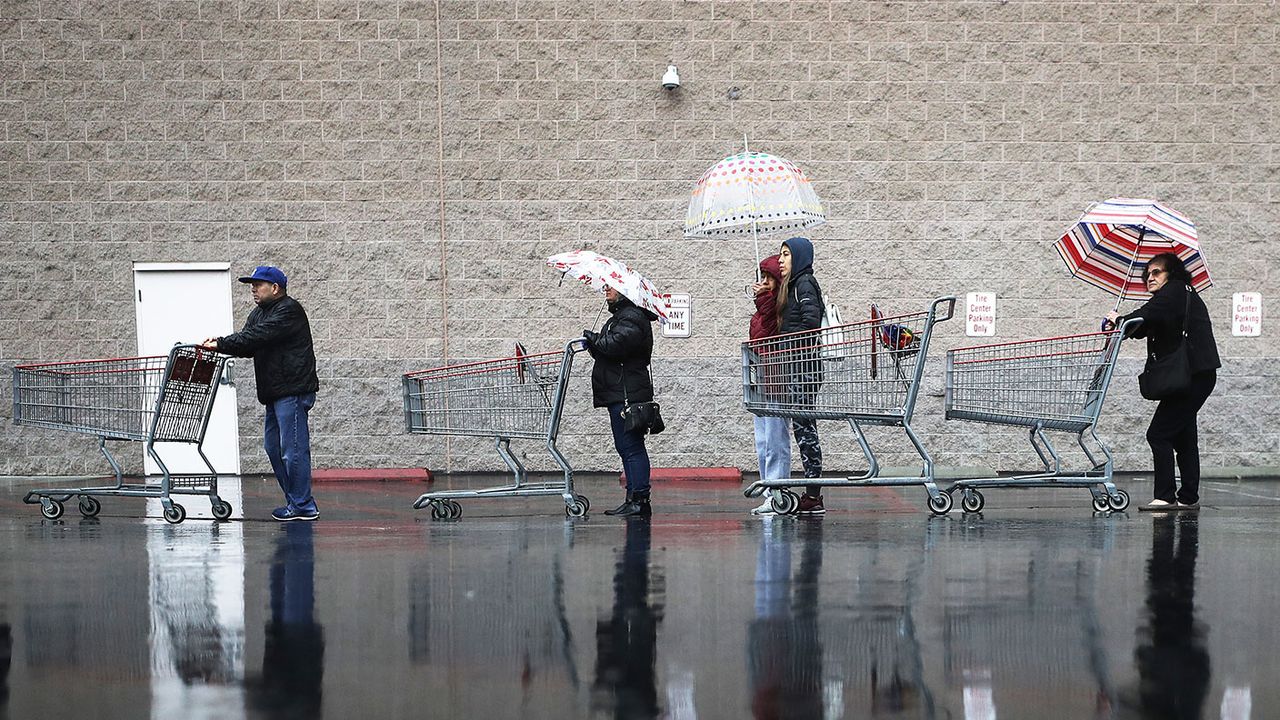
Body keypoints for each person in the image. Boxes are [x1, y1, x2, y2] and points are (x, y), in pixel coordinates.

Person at [202, 266, 321, 522]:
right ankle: (296, 502)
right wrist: (221, 345)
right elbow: (249, 342)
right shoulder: (259, 313)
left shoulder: (289, 310)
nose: (253, 289)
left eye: (258, 285)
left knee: (293, 450)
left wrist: (221, 343)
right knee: (273, 448)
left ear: (275, 288)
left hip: (292, 390)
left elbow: (258, 336)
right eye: (252, 285)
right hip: (274, 393)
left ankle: (303, 505)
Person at [1105, 252, 1220, 511]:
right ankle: (1188, 497)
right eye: (1147, 274)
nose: (1150, 278)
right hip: (1190, 376)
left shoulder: (1175, 290)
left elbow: (1147, 314)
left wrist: (1121, 320)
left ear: (1172, 273)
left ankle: (1166, 496)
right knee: (1184, 438)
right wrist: (1121, 325)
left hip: (1191, 376)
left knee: (1158, 434)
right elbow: (1147, 324)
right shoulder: (1174, 298)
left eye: (1156, 272)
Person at [583, 284, 659, 517]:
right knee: (626, 447)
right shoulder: (623, 316)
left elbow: (614, 345)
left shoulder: (632, 318)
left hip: (627, 393)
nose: (606, 289)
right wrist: (596, 343)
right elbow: (606, 349)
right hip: (622, 391)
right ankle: (633, 497)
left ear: (625, 291)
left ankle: (640, 500)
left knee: (631, 447)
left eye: (612, 287)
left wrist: (592, 337)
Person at [248, 523, 326, 718]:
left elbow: (268, 697)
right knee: (284, 574)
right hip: (291, 657)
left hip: (294, 652)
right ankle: (299, 504)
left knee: (290, 575)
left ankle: (301, 504)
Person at [777, 237, 826, 514]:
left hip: (804, 366)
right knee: (804, 427)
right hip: (798, 365)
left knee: (805, 428)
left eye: (786, 255)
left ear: (799, 256)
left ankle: (814, 494)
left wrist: (787, 341)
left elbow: (811, 321)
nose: (781, 260)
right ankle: (812, 491)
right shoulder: (794, 285)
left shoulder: (804, 283)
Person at [748, 255, 793, 515]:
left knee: (776, 439)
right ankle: (769, 490)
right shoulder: (762, 307)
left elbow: (770, 330)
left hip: (776, 378)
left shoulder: (779, 307)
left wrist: (764, 300)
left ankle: (777, 491)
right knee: (764, 440)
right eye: (761, 277)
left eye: (768, 278)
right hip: (762, 378)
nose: (763, 282)